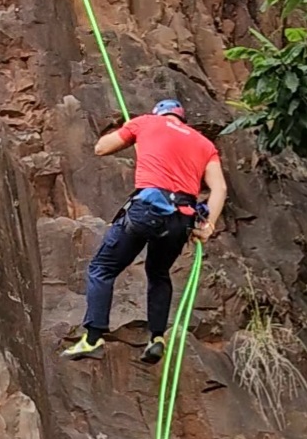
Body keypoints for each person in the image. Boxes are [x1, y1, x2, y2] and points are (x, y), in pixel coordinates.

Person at [62, 100, 227, 364]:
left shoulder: (146, 122)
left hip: (147, 210)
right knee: (159, 273)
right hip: (181, 219)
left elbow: (101, 148)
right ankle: (156, 337)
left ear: (159, 113)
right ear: (181, 119)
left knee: (102, 268)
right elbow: (219, 188)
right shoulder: (205, 145)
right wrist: (208, 226)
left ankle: (93, 339)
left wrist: (132, 132)